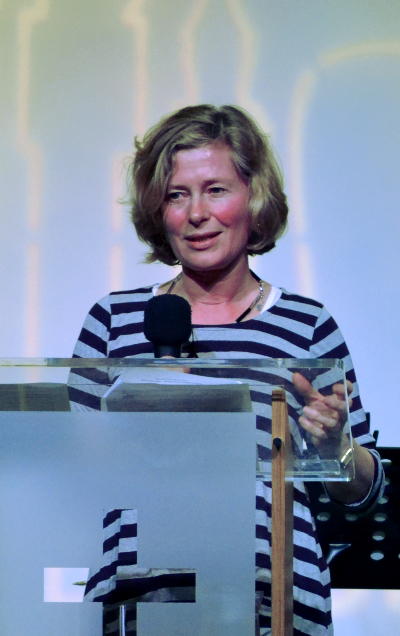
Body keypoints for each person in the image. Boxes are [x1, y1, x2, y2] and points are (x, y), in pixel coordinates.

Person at [71, 104, 384, 635]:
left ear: (253, 198)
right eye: (177, 194)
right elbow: (68, 470)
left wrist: (337, 450)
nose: (196, 213)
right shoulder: (114, 319)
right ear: (159, 209)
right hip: (139, 604)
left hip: (274, 604)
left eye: (216, 189)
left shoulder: (306, 323)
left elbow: (367, 489)